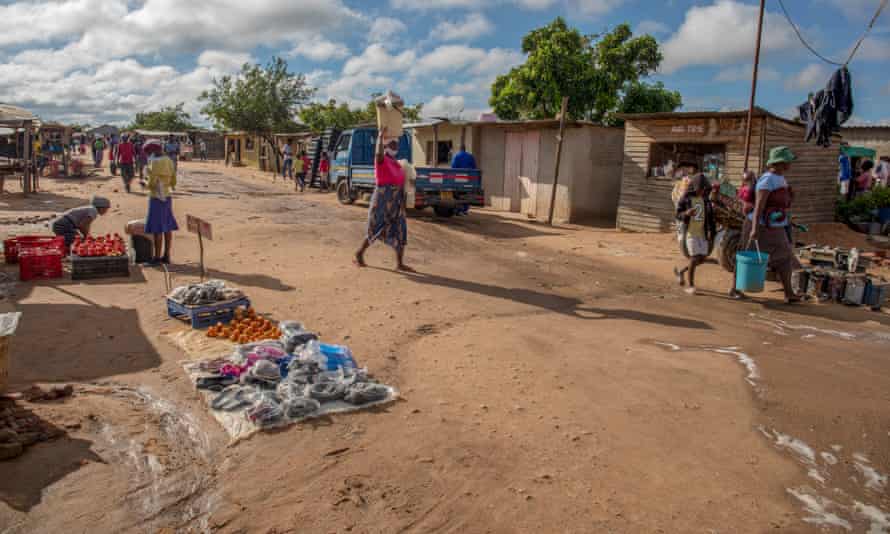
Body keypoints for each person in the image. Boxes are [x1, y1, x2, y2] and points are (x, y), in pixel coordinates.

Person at [354, 128, 412, 272]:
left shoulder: (397, 163)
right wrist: (379, 136)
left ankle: (400, 263)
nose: (395, 147)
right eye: (392, 144)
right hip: (382, 199)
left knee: (400, 229)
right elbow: (378, 153)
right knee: (375, 228)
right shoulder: (381, 159)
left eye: (396, 144)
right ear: (385, 145)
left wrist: (404, 202)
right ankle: (359, 253)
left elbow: (403, 184)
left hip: (396, 201)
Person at [749, 146, 801, 304]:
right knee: (749, 256)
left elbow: (781, 204)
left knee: (784, 257)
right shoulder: (767, 179)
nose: (790, 164)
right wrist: (754, 228)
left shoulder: (781, 178)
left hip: (776, 225)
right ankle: (735, 288)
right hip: (763, 226)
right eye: (788, 161)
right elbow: (759, 205)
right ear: (780, 162)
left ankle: (789, 293)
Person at [673, 174, 716, 295]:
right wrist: (686, 213)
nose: (702, 191)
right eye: (700, 188)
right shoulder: (686, 199)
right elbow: (677, 214)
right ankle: (691, 286)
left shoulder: (706, 201)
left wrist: (712, 233)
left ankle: (682, 272)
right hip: (690, 233)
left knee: (702, 259)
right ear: (694, 187)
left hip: (702, 234)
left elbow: (711, 219)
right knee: (694, 259)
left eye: (704, 188)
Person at [144, 140, 179, 265]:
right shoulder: (169, 161)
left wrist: (145, 183)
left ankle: (157, 258)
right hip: (167, 196)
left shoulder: (154, 162)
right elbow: (174, 180)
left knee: (157, 228)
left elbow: (152, 183)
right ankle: (167, 255)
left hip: (156, 197)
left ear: (153, 151)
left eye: (149, 153)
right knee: (167, 226)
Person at [727, 171, 757, 299]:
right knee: (742, 256)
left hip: (748, 224)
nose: (750, 182)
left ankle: (736, 288)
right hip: (749, 225)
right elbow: (745, 207)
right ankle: (734, 288)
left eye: (750, 180)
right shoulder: (749, 190)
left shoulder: (746, 190)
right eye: (748, 180)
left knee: (743, 255)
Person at [451, 144, 477, 216]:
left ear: (460, 149)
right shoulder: (470, 156)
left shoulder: (456, 156)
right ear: (465, 149)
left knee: (458, 195)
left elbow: (453, 168)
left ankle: (459, 210)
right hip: (468, 179)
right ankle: (464, 210)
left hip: (458, 179)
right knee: (466, 195)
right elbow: (474, 167)